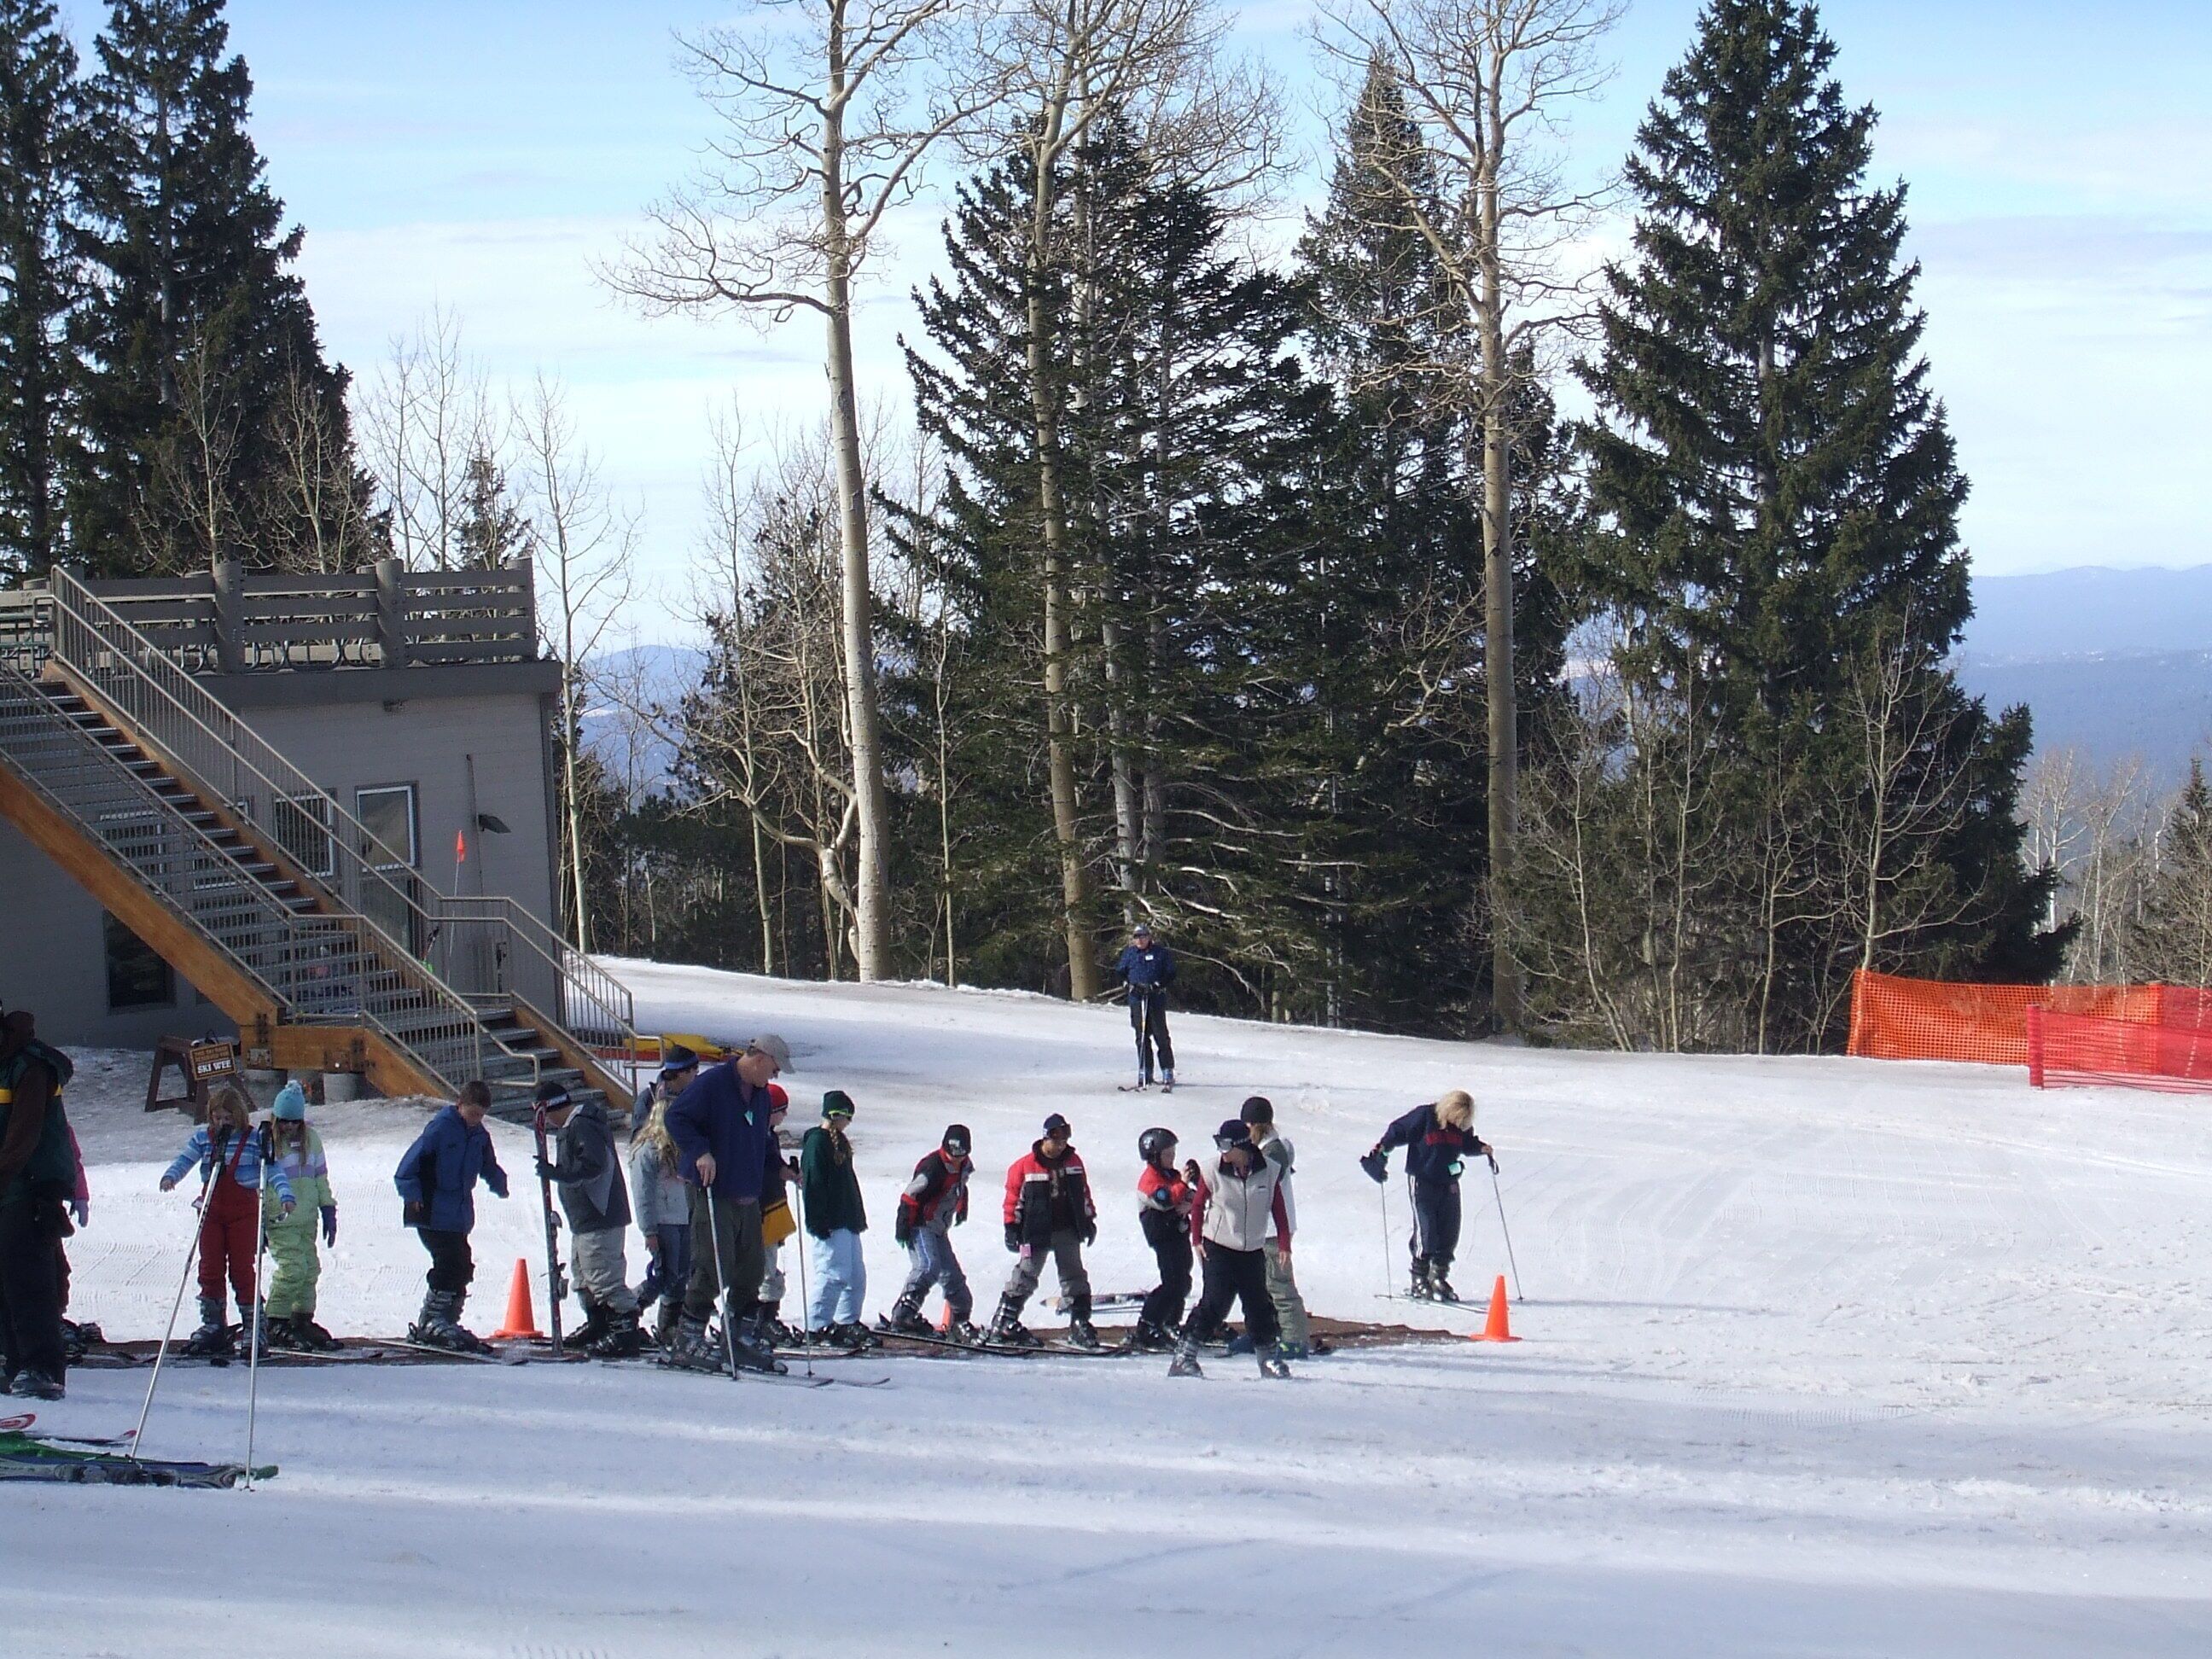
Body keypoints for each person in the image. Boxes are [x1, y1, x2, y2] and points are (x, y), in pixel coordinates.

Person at [665, 1033, 791, 1373]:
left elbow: (761, 1140)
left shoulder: (761, 1095)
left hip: (747, 1190)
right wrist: (700, 1151)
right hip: (713, 1189)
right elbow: (676, 1118)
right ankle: (687, 1338)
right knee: (713, 1262)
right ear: (761, 1058)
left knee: (751, 1268)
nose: (775, 1076)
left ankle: (738, 1335)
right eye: (775, 1069)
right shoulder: (714, 1083)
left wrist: (781, 1169)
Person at [160, 1086, 295, 1358]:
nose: (223, 1123)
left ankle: (253, 1325)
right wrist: (171, 1176)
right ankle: (213, 1323)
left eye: (228, 1118)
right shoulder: (205, 1139)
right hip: (212, 1210)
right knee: (209, 1266)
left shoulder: (254, 1139)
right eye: (218, 1117)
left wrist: (285, 1193)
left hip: (242, 1212)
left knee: (242, 1269)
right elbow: (185, 1160)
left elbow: (272, 1169)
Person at [393, 1079, 509, 1352]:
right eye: (472, 1114)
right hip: (431, 1209)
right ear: (459, 1106)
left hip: (457, 1212)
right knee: (448, 1261)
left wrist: (498, 1182)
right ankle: (432, 1319)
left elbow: (488, 1164)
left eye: (481, 1116)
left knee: (463, 1265)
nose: (475, 1120)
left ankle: (447, 1319)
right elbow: (407, 1167)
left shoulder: (480, 1135)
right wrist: (412, 1194)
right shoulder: (440, 1129)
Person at [1170, 1119, 1292, 1380]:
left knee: (1259, 1304)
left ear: (1242, 1145)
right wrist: (1197, 1240)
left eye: (1225, 1145)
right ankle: (1184, 1356)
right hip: (1219, 1246)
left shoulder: (1269, 1170)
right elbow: (1198, 1204)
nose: (1221, 1151)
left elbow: (1278, 1208)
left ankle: (1268, 1359)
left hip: (1252, 1249)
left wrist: (1284, 1244)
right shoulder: (1212, 1170)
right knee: (1216, 1302)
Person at [0, 1007, 77, 1400]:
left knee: (28, 1282)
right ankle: (11, 1362)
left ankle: (42, 1367)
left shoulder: (30, 1068)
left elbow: (23, 1137)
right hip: (8, 1192)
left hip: (28, 1189)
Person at [536, 1080, 643, 1357]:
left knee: (602, 1274)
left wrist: (559, 1174)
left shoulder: (582, 1125)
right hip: (584, 1217)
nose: (545, 1122)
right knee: (583, 1276)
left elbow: (593, 1165)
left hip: (600, 1213)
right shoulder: (573, 1127)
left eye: (544, 1114)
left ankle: (624, 1330)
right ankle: (599, 1323)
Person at [1361, 1088, 1494, 1303]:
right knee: (1427, 1230)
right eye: (1458, 1118)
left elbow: (1466, 1143)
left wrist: (1481, 1148)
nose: (1459, 1124)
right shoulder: (1425, 1117)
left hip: (1449, 1182)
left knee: (1450, 1230)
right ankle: (1419, 1277)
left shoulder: (1460, 1125)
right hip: (1422, 1181)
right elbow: (1397, 1131)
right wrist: (1382, 1152)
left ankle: (1438, 1276)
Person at [992, 1112, 1097, 1349]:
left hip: (1067, 1228)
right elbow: (1012, 1199)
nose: (1061, 1146)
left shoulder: (1073, 1162)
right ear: (1045, 1139)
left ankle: (1079, 1322)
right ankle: (1004, 1320)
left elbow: (1083, 1193)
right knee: (1027, 1273)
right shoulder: (1024, 1166)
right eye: (1056, 1140)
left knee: (1074, 1275)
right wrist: (1011, 1226)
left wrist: (1089, 1219)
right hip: (1036, 1231)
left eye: (1064, 1141)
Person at [263, 1082, 340, 1353]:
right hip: (281, 1220)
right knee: (292, 1271)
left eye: (295, 1122)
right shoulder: (268, 1143)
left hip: (307, 1218)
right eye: (284, 1122)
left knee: (309, 1270)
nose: (289, 1128)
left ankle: (301, 1318)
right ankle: (275, 1320)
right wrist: (260, 1221)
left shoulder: (312, 1140)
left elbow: (319, 1177)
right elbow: (260, 1183)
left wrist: (327, 1208)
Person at [1240, 1096, 1316, 1358]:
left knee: (1279, 1284)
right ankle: (1263, 1333)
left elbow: (1262, 1179)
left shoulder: (1273, 1151)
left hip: (1274, 1229)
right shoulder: (1264, 1148)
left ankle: (1295, 1339)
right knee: (1259, 1287)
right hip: (1261, 1229)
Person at [885, 1124, 976, 1340]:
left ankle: (959, 1322)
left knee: (955, 1281)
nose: (956, 1158)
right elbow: (910, 1195)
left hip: (939, 1228)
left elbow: (959, 1186)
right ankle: (903, 1314)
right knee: (928, 1267)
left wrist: (962, 1206)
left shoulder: (964, 1165)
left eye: (961, 1153)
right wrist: (903, 1225)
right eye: (952, 1152)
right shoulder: (933, 1167)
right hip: (921, 1225)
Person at [799, 1090, 870, 1348]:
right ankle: (816, 1326)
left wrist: (857, 1215)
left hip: (847, 1219)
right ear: (835, 1115)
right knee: (833, 1274)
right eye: (846, 1118)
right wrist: (817, 1220)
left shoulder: (840, 1142)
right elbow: (814, 1183)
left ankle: (846, 1322)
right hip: (829, 1222)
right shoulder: (818, 1142)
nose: (848, 1124)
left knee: (855, 1275)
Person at [629, 1090, 694, 1351]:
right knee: (663, 1273)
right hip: (662, 1220)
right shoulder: (647, 1151)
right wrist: (649, 1230)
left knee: (680, 1274)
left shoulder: (678, 1150)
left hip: (681, 1218)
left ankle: (670, 1325)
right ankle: (628, 1311)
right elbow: (643, 1192)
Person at [1134, 1126, 1197, 1351]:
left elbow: (1188, 1197)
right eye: (1168, 1154)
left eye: (1173, 1153)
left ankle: (1171, 1321)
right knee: (1172, 1283)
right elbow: (1165, 1200)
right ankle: (1147, 1324)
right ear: (1154, 1156)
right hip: (1162, 1236)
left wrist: (1193, 1196)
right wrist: (1183, 1186)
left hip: (1177, 1234)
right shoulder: (1149, 1180)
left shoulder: (1170, 1176)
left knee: (1183, 1280)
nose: (1172, 1158)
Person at [756, 1083, 800, 1345]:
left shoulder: (768, 1135)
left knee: (770, 1263)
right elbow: (770, 1165)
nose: (784, 1117)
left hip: (773, 1205)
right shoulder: (758, 1134)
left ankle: (767, 1316)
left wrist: (790, 1173)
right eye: (781, 1111)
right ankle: (762, 1320)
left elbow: (775, 1164)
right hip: (761, 1207)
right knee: (765, 1266)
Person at [1115, 923, 1177, 1090]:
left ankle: (1167, 1070)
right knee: (1141, 1036)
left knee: (1160, 1035)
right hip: (1137, 998)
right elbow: (1120, 972)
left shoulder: (1160, 953)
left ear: (1149, 937)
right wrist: (1128, 984)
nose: (1139, 940)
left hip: (1154, 998)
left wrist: (1157, 984)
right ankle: (1145, 1071)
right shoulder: (1130, 953)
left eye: (1142, 936)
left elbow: (1171, 973)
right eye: (1136, 937)